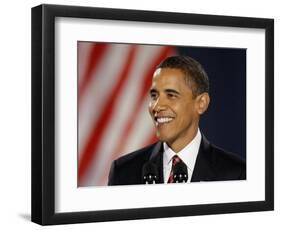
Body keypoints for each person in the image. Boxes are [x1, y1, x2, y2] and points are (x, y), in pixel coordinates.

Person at [108, 56, 246, 185]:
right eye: (154, 95)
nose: (157, 106)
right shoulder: (123, 172)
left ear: (201, 103)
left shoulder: (236, 173)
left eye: (171, 95)